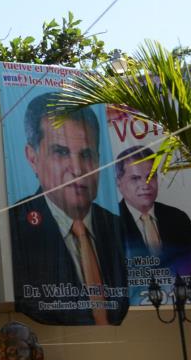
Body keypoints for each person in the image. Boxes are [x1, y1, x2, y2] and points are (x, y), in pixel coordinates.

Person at [9, 92, 128, 325]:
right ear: (32, 158)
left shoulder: (119, 228)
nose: (77, 169)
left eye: (86, 155)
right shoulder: (13, 228)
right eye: (61, 152)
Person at [115, 146, 191, 264]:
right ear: (118, 182)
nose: (145, 185)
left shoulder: (179, 219)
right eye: (135, 178)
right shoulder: (109, 223)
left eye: (150, 176)